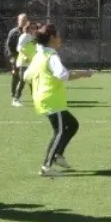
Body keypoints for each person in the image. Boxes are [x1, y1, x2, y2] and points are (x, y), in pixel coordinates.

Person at [24, 24, 96, 176]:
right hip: (50, 100)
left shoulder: (39, 55)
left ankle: (58, 155)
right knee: (60, 130)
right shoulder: (51, 56)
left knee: (72, 125)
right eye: (58, 36)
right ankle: (46, 167)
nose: (60, 39)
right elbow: (63, 75)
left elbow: (26, 76)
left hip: (44, 99)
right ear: (52, 38)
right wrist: (84, 73)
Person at [12, 18, 38, 106]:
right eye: (32, 28)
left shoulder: (33, 37)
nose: (34, 29)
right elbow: (18, 48)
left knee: (32, 80)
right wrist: (25, 56)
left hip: (32, 62)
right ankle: (15, 100)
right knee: (23, 80)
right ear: (27, 28)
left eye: (35, 28)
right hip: (23, 62)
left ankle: (36, 99)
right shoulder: (24, 36)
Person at [6, 13, 30, 105]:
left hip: (26, 58)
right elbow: (8, 45)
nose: (23, 22)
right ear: (18, 21)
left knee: (26, 77)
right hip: (16, 57)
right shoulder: (14, 32)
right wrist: (12, 57)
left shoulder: (28, 32)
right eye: (22, 20)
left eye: (25, 20)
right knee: (16, 76)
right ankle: (14, 95)